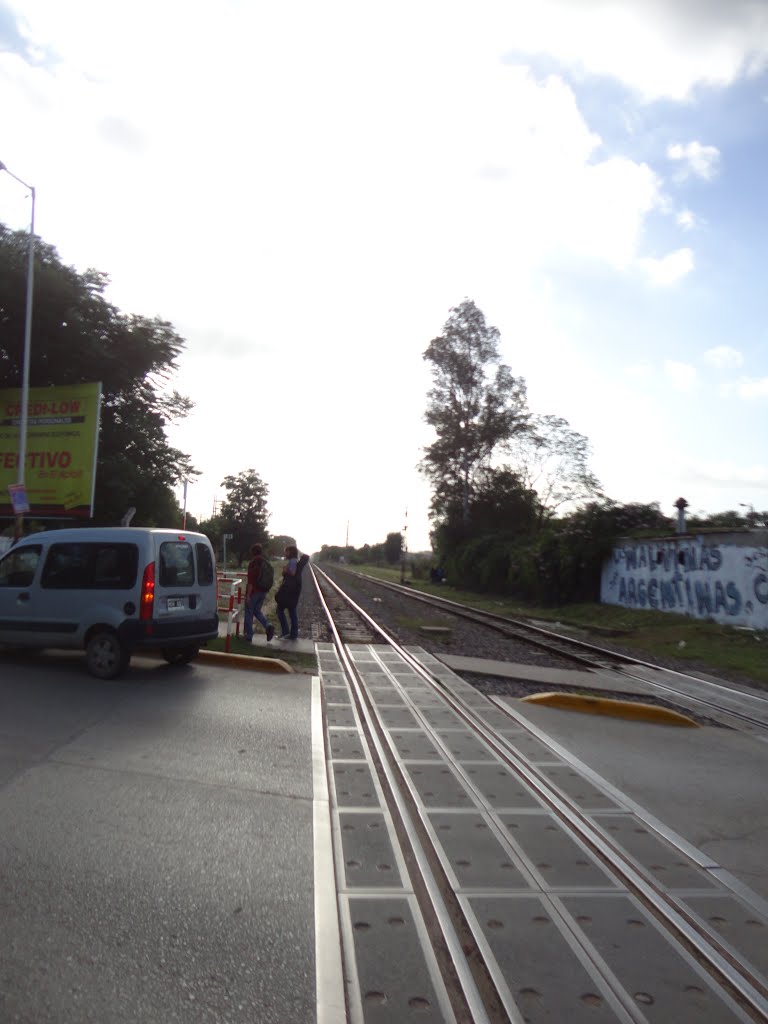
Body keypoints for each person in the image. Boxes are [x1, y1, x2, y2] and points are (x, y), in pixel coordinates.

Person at [275, 544, 309, 639]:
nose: (285, 553)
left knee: (280, 610)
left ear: (290, 552)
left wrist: (286, 571)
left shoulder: (293, 561)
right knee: (292, 611)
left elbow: (292, 573)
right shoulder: (295, 561)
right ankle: (293, 634)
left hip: (289, 590)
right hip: (294, 590)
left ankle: (286, 632)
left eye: (286, 551)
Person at [244, 543, 275, 642]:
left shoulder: (253, 563)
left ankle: (249, 635)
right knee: (257, 611)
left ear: (252, 552)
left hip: (254, 592)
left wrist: (248, 595)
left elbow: (250, 581)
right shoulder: (265, 562)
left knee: (249, 612)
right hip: (263, 590)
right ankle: (268, 625)